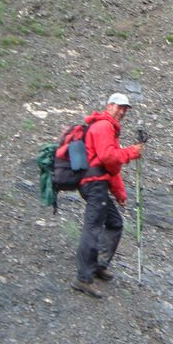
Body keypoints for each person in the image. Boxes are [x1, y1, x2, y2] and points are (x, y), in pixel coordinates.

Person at [71, 93, 146, 299]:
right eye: (119, 107)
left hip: (96, 183)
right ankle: (83, 278)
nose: (122, 111)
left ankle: (98, 264)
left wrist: (119, 192)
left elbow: (110, 167)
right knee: (93, 228)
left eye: (125, 109)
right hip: (94, 184)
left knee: (114, 223)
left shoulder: (106, 127)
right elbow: (108, 157)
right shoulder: (104, 126)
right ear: (109, 105)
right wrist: (131, 152)